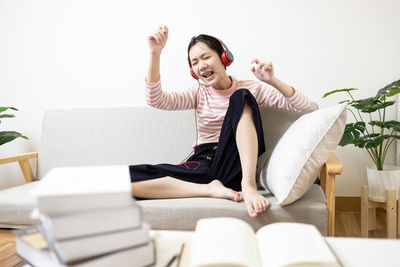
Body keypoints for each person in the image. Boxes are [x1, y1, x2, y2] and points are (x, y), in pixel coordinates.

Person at [130, 25, 310, 218]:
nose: (201, 65)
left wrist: (272, 80)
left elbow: (303, 105)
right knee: (124, 179)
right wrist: (155, 53)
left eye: (206, 57)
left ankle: (248, 185)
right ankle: (209, 189)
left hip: (235, 161)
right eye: (195, 62)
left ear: (224, 57)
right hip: (204, 163)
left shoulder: (251, 89)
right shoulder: (198, 92)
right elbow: (156, 99)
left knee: (241, 96)